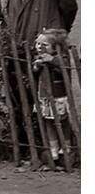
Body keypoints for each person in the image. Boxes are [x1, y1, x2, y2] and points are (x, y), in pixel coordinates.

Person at [31, 28, 73, 171]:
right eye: (38, 43)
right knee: (48, 121)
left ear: (56, 47)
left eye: (44, 44)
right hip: (44, 96)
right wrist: (36, 67)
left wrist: (53, 61)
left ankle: (66, 147)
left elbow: (65, 70)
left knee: (63, 120)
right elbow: (35, 76)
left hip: (58, 96)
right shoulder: (39, 58)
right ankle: (53, 148)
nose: (39, 47)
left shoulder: (62, 58)